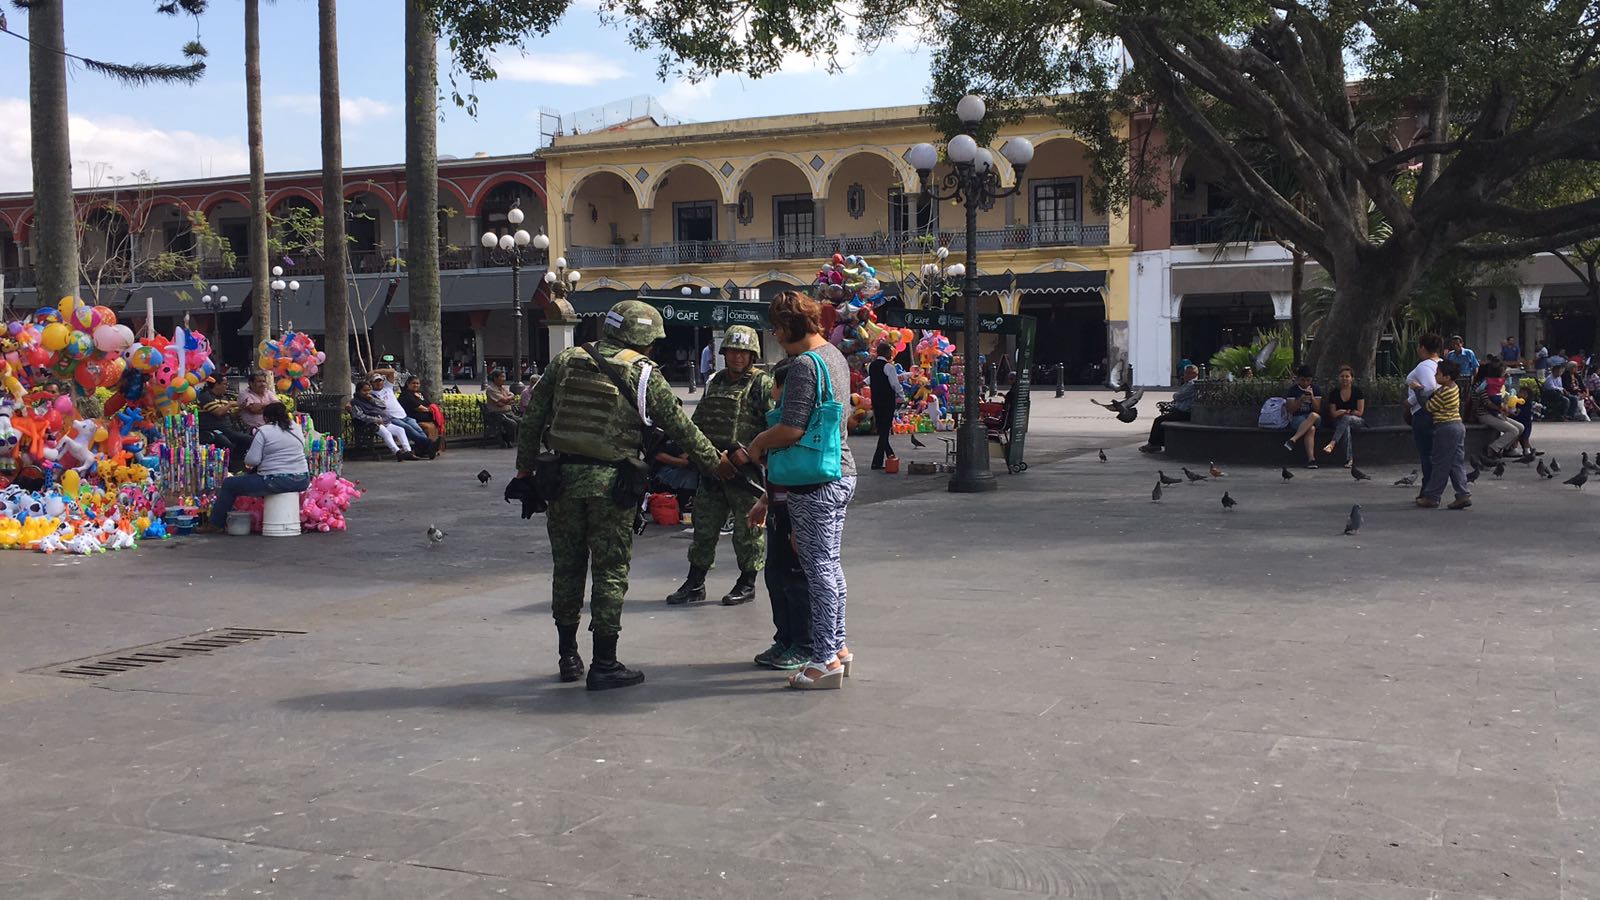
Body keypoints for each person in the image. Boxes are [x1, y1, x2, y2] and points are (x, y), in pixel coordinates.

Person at [511, 300, 724, 691]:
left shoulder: (565, 360)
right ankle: (604, 663)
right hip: (612, 485)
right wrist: (716, 464)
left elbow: (533, 419)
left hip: (561, 481)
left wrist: (525, 469)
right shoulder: (644, 373)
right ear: (645, 338)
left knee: (568, 568)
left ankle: (568, 656)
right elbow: (682, 429)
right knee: (610, 571)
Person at [731, 291, 856, 691]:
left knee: (816, 569)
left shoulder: (804, 365)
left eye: (776, 328)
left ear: (786, 327)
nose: (775, 336)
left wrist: (758, 444)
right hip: (841, 470)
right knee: (829, 565)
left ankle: (823, 661)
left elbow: (793, 428)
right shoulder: (835, 356)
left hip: (815, 479)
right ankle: (836, 648)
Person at [664, 325, 774, 607]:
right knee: (704, 527)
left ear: (752, 355)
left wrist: (750, 453)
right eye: (733, 351)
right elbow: (699, 420)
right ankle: (695, 582)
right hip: (712, 466)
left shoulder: (761, 384)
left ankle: (747, 583)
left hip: (744, 470)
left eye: (743, 352)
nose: (737, 357)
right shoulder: (715, 381)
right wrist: (701, 455)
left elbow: (774, 425)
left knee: (747, 529)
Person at [746, 359, 813, 672]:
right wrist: (764, 501)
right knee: (775, 575)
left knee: (795, 580)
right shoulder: (779, 422)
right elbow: (777, 472)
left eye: (775, 385)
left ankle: (804, 643)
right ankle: (784, 638)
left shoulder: (798, 426)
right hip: (778, 507)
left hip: (797, 510)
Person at [197, 402, 311, 533]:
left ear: (266, 418)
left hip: (275, 481)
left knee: (230, 484)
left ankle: (215, 524)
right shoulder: (296, 428)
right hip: (302, 479)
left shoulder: (264, 431)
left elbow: (252, 460)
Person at [1417, 359, 1471, 509]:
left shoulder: (1444, 391)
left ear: (1447, 377)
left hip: (1446, 428)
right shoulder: (1453, 387)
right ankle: (1463, 493)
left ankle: (1432, 496)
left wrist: (1418, 391)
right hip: (1457, 426)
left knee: (1440, 463)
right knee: (1455, 462)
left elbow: (1429, 407)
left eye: (1438, 374)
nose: (1434, 376)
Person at [1407, 333, 1444, 489]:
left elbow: (1429, 387)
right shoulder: (1442, 363)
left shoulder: (1424, 366)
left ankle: (1428, 487)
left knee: (1426, 453)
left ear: (1422, 348)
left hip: (1424, 412)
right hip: (1441, 411)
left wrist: (1409, 401)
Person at [349, 380, 418, 461]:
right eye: (364, 391)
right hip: (369, 424)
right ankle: (397, 452)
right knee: (386, 433)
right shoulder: (355, 402)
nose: (367, 392)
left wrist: (372, 400)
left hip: (383, 421)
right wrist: (375, 419)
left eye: (368, 390)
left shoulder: (372, 397)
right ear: (358, 391)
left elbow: (383, 405)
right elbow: (359, 416)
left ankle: (408, 451)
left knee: (400, 430)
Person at [1139, 364, 1199, 453]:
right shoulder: (1188, 384)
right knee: (1163, 420)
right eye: (1185, 373)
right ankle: (1157, 443)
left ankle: (1154, 444)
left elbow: (1178, 396)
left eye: (1188, 373)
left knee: (1159, 420)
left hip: (1184, 412)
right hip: (1179, 410)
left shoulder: (1192, 384)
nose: (1185, 375)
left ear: (1194, 374)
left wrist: (1176, 395)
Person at [371, 374, 433, 456]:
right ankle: (429, 444)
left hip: (403, 415)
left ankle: (426, 448)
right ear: (372, 383)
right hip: (392, 417)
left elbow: (391, 372)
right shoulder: (372, 394)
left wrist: (375, 371)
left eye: (380, 381)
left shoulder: (388, 388)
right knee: (408, 428)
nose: (379, 383)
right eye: (376, 382)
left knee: (418, 429)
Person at [1472, 360, 1523, 457]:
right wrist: (1501, 409)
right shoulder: (1482, 386)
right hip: (1484, 414)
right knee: (1513, 430)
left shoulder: (1493, 384)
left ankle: (1506, 449)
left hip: (1494, 413)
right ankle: (1493, 448)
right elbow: (1487, 403)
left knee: (1520, 427)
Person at [198, 377, 251, 470]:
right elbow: (219, 412)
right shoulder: (206, 397)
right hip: (212, 429)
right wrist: (230, 404)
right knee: (227, 445)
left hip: (227, 429)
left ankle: (237, 462)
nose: (226, 386)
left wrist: (240, 408)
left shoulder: (224, 397)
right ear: (217, 385)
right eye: (224, 384)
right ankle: (228, 468)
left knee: (248, 439)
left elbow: (229, 415)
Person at [1321, 365, 1366, 467]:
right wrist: (1341, 411)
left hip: (1356, 420)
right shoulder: (1334, 393)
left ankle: (1332, 443)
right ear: (1338, 378)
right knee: (1345, 428)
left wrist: (1347, 412)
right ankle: (1349, 459)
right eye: (1342, 376)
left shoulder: (1357, 392)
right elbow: (1333, 413)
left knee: (1346, 419)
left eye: (1347, 376)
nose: (1344, 378)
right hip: (1339, 421)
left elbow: (1360, 412)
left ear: (1352, 378)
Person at [868, 342, 905, 470]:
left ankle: (890, 454)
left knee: (882, 428)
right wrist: (902, 395)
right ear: (886, 352)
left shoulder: (872, 366)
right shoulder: (889, 367)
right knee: (885, 429)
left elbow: (870, 380)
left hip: (876, 400)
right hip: (887, 400)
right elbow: (895, 384)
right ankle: (876, 462)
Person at [1281, 365, 1322, 468]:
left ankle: (1294, 439)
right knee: (1310, 429)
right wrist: (1300, 400)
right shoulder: (1293, 390)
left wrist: (1312, 398)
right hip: (1298, 418)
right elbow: (1291, 410)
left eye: (1308, 380)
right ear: (1298, 379)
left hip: (1314, 417)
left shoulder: (1315, 389)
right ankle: (1311, 459)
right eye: (1303, 380)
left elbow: (1317, 409)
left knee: (1313, 415)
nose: (1305, 383)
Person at [399, 376, 443, 456]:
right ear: (408, 384)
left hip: (427, 417)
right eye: (413, 383)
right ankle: (426, 449)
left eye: (417, 383)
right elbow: (419, 408)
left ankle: (435, 448)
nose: (416, 385)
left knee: (436, 425)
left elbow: (428, 403)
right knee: (428, 427)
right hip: (413, 418)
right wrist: (429, 410)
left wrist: (433, 409)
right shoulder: (406, 395)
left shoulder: (421, 393)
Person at [483, 370, 520, 448]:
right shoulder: (491, 389)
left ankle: (512, 440)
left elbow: (510, 398)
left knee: (521, 421)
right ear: (495, 378)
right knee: (512, 424)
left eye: (504, 376)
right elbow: (502, 402)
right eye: (502, 377)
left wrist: (507, 399)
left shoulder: (503, 388)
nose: (504, 379)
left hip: (509, 412)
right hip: (498, 414)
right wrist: (508, 399)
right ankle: (507, 440)